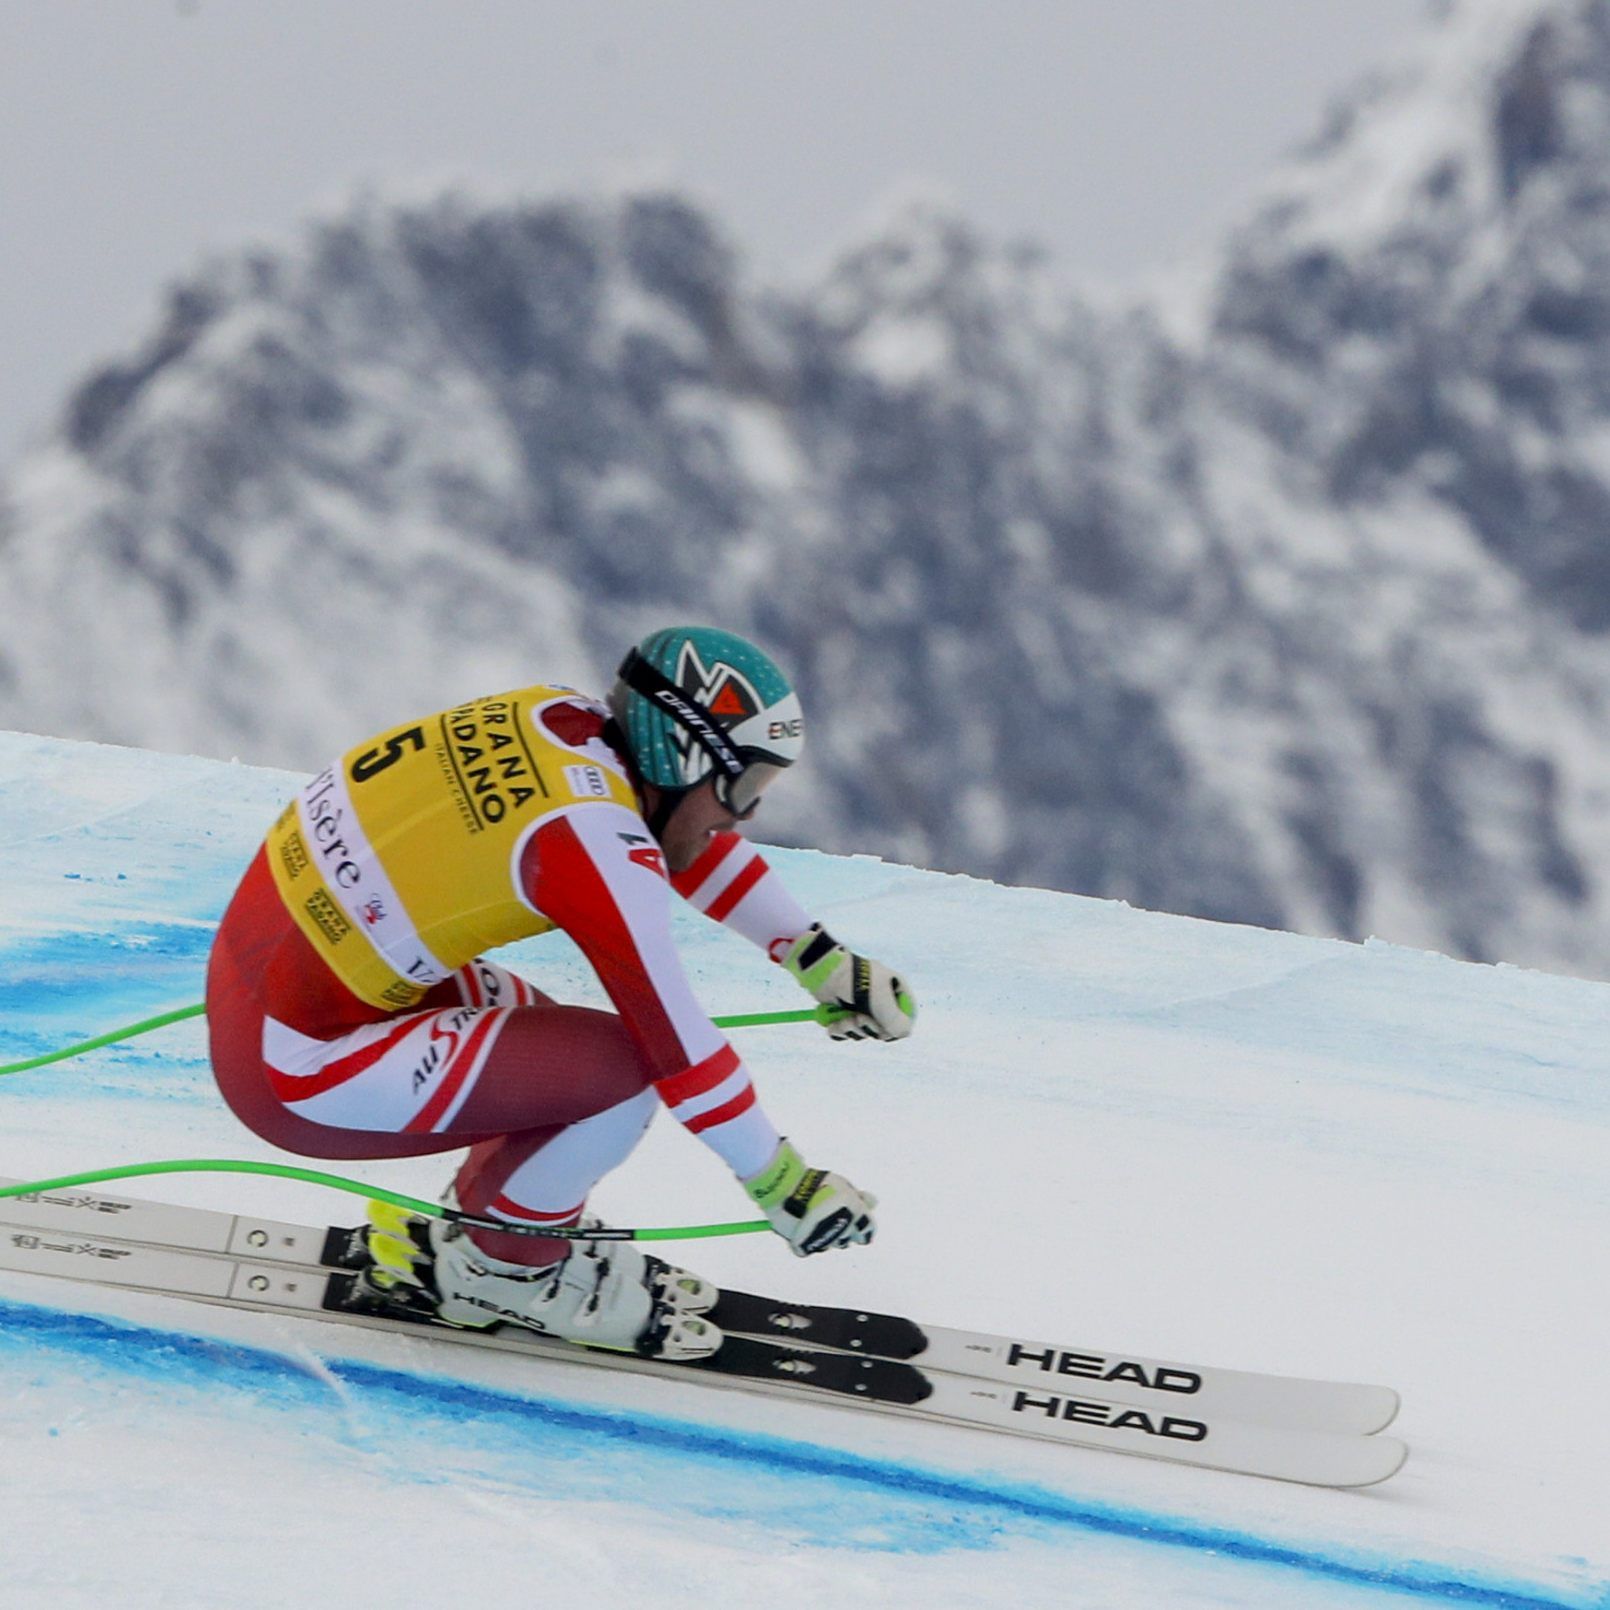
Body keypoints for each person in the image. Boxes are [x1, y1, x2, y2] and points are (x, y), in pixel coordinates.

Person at [205, 626, 915, 1360]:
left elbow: (678, 838)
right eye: (743, 786)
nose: (745, 815)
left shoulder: (561, 720)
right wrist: (784, 1185)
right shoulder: (588, 842)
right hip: (296, 1072)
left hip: (262, 985)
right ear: (684, 756)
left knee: (556, 1048)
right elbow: (680, 1047)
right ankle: (498, 1274)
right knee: (617, 1080)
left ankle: (492, 1227)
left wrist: (816, 955)